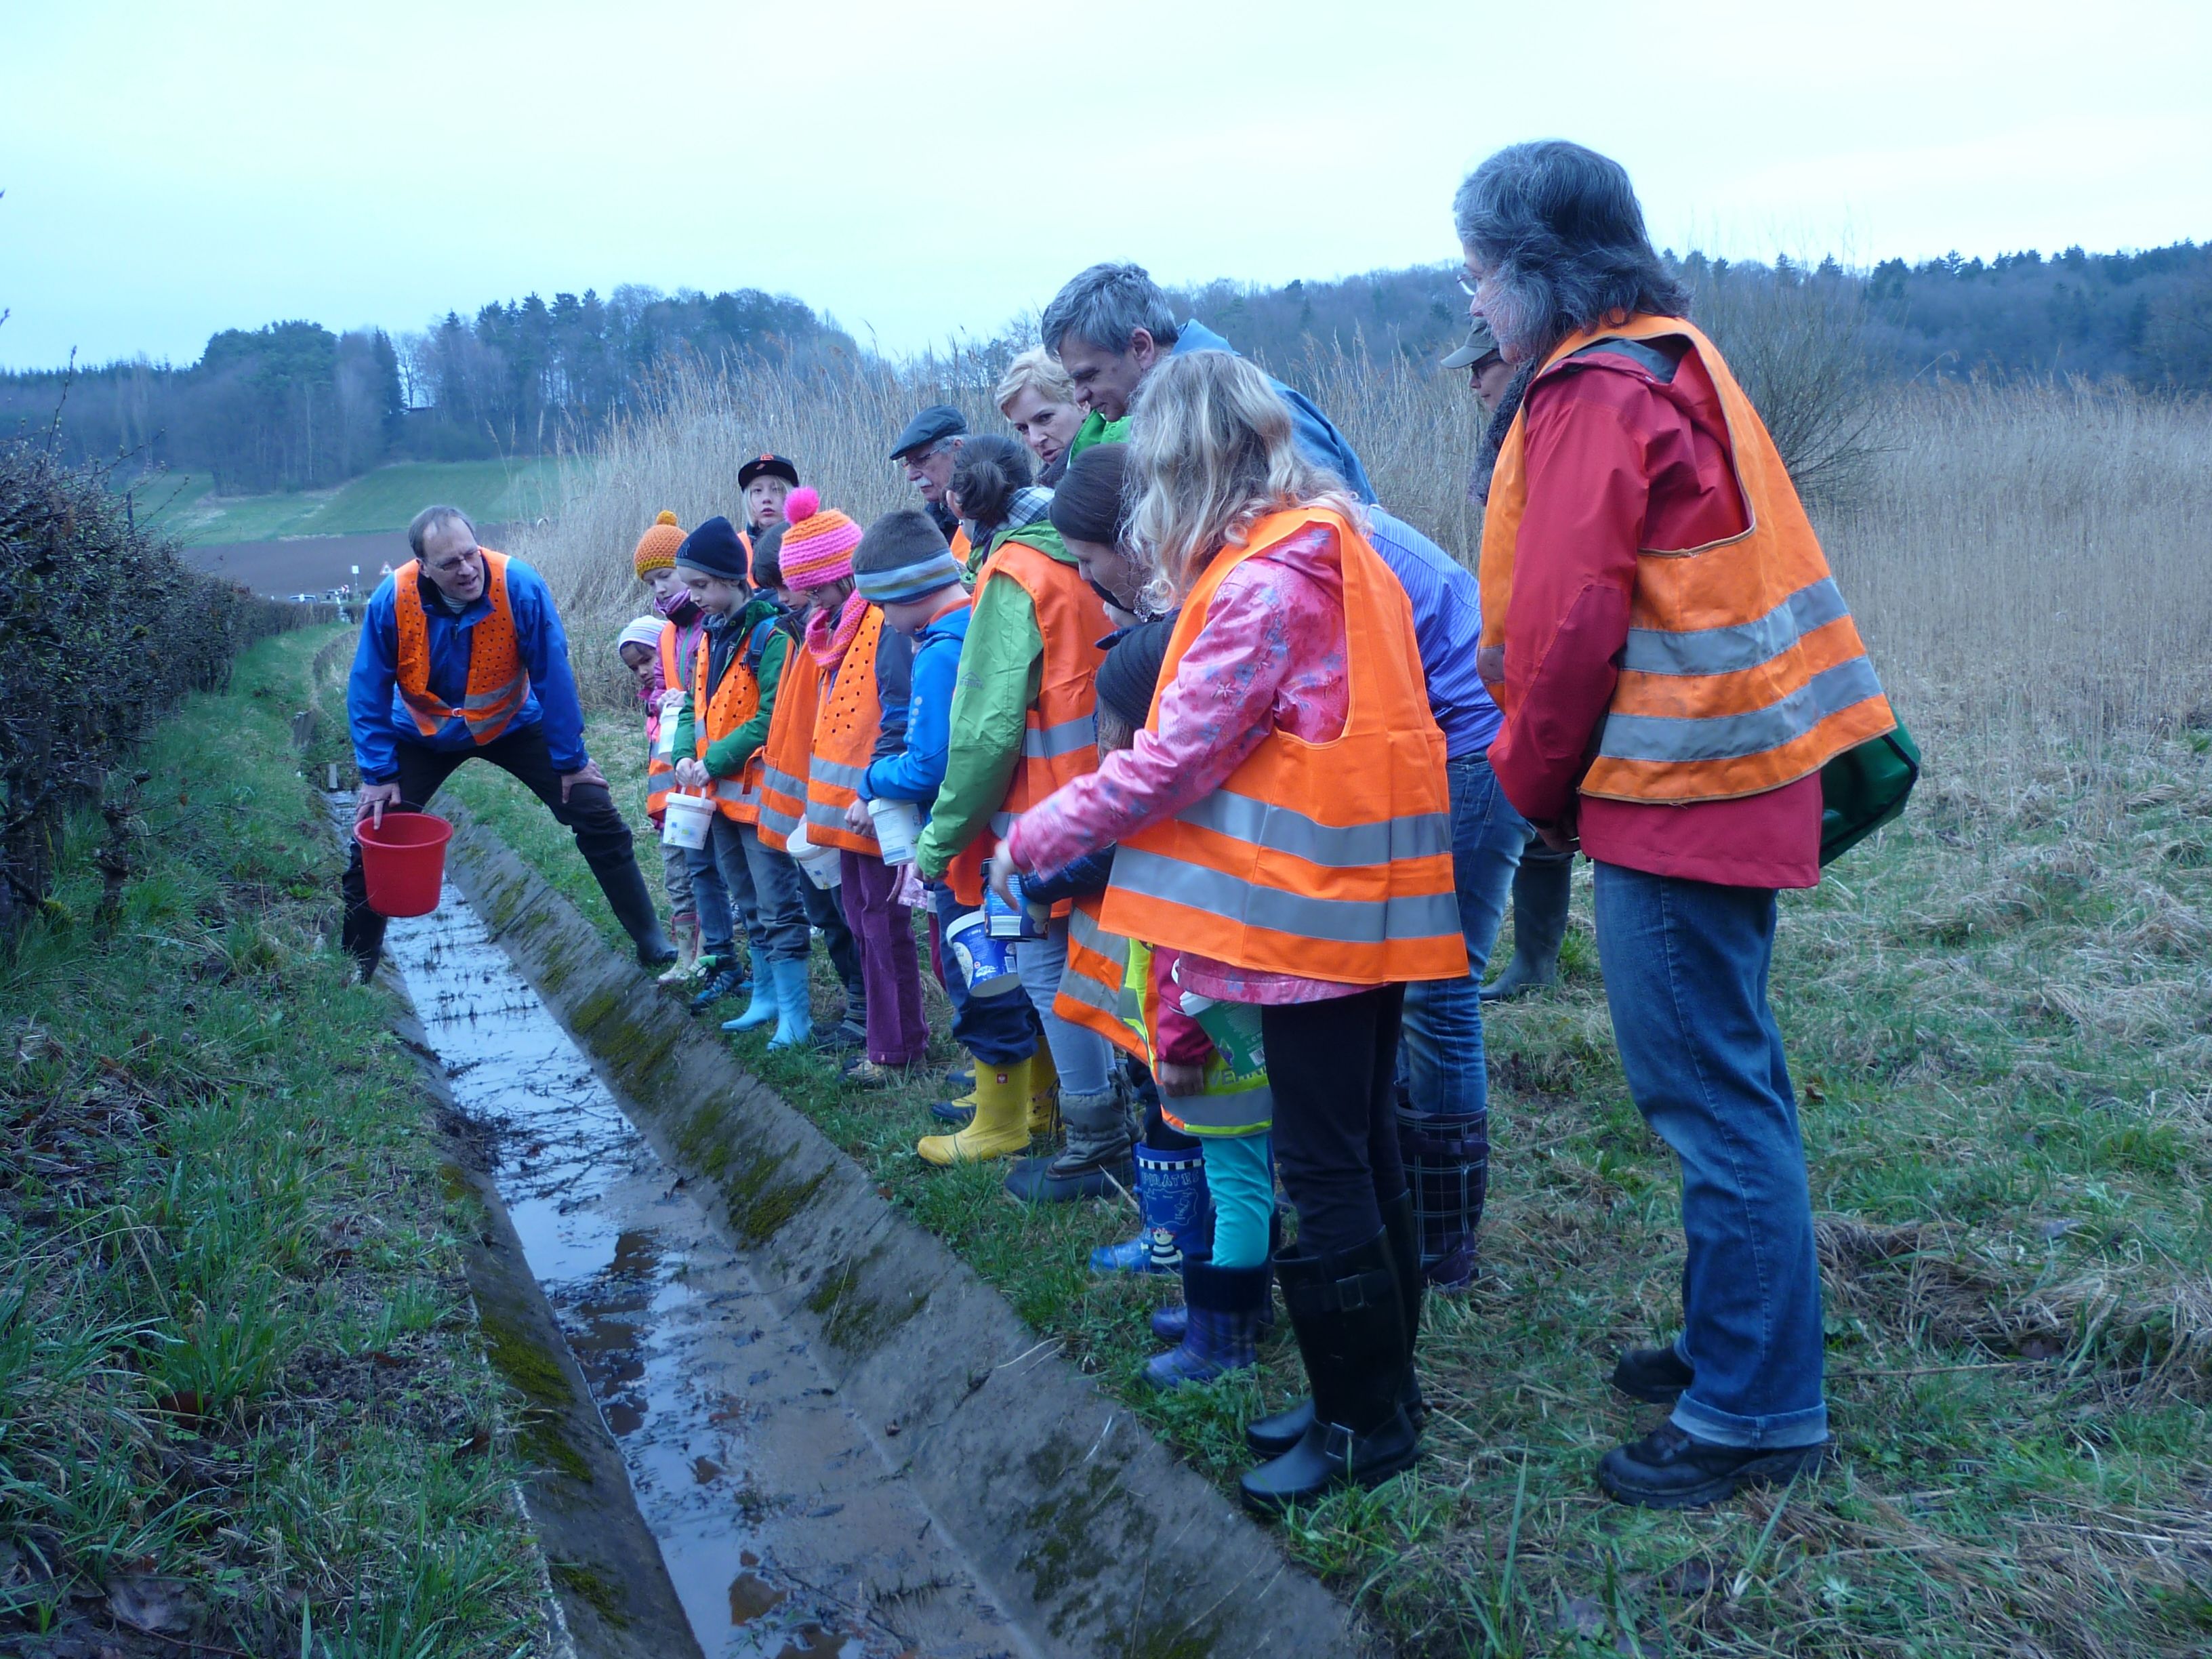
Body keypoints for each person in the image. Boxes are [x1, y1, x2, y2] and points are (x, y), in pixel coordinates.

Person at [1458, 140, 1896, 1509]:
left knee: (1711, 1098)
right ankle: (1734, 1345)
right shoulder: (1672, 354)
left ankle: (1758, 1409)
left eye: (1476, 272)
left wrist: (1526, 784)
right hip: (1727, 773)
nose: (1470, 301)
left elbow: (1571, 619)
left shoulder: (1591, 388)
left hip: (1679, 789)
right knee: (1727, 1080)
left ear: (1534, 273)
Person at [994, 352, 1467, 1513]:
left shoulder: (1260, 582)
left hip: (1298, 924)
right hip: (1369, 905)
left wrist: (1030, 835)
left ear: (1186, 471)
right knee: (1357, 1144)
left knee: (1323, 1161)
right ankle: (1372, 1395)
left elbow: (1172, 757)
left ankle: (1363, 1422)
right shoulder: (1333, 540)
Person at [912, 436, 1124, 1184]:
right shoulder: (1083, 549)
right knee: (1105, 962)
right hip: (1107, 793)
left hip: (1037, 818)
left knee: (1041, 965)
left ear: (966, 512)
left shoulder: (1013, 575)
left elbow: (986, 730)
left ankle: (1095, 1133)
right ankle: (1106, 1115)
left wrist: (940, 840)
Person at [342, 506, 674, 977]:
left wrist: (571, 760)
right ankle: (356, 968)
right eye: (450, 564)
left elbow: (552, 674)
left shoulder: (518, 584)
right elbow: (367, 687)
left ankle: (650, 939)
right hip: (421, 733)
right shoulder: (390, 599)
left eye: (470, 554)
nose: (467, 570)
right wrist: (377, 774)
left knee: (594, 808)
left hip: (512, 723)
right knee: (372, 832)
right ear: (424, 567)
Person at [773, 488, 931, 1082]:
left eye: (817, 588)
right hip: (853, 805)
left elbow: (890, 717)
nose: (810, 602)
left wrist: (871, 795)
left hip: (876, 804)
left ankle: (896, 1048)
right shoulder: (839, 627)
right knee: (863, 917)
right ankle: (884, 1039)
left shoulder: (883, 628)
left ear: (846, 575)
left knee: (882, 921)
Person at [1453, 315, 1574, 1006]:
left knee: (1539, 794)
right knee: (1534, 805)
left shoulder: (1553, 419)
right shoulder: (1519, 430)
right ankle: (1536, 963)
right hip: (1517, 650)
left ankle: (1539, 962)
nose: (1473, 379)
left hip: (1555, 654)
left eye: (1482, 364)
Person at [1039, 261, 1375, 501]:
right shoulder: (1181, 417)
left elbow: (1336, 540)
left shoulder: (1253, 410)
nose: (1080, 395)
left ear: (1141, 347)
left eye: (1088, 375)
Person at [667, 516, 815, 1050]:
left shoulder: (771, 634)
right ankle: (767, 997)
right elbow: (692, 703)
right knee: (746, 901)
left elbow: (773, 716)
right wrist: (686, 754)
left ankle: (796, 1014)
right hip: (718, 798)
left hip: (760, 797)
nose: (694, 597)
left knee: (778, 903)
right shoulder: (707, 635)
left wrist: (716, 759)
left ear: (732, 578)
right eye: (689, 586)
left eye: (701, 586)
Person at [632, 510, 741, 998]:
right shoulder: (668, 632)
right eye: (650, 581)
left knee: (715, 866)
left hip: (707, 766)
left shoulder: (710, 627)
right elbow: (661, 691)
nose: (658, 588)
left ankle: (718, 955)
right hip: (674, 770)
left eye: (665, 576)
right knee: (682, 863)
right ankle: (689, 953)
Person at [995, 348, 1084, 485]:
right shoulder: (1055, 481)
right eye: (1023, 428)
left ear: (1082, 404)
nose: (1035, 440)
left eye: (1044, 418)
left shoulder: (1116, 467)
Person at [888, 405, 968, 546]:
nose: (911, 476)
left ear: (957, 448)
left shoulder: (995, 516)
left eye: (921, 460)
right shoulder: (926, 526)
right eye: (909, 464)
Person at [1441, 316, 1515, 411]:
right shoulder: (1522, 421)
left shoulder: (1537, 421)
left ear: (1518, 361)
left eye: (1482, 369)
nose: (1473, 384)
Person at [739, 453, 799, 539]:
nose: (766, 499)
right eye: (758, 490)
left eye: (776, 489)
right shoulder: (737, 546)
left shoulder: (809, 542)